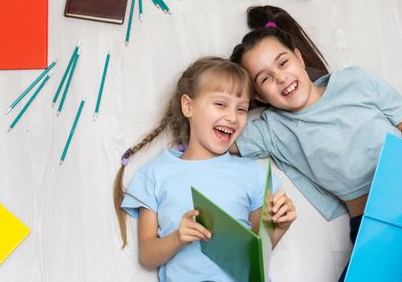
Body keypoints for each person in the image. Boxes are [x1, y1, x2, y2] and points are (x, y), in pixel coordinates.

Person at [229, 6, 402, 281]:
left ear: (298, 57)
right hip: (371, 231)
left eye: (283, 63)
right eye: (265, 79)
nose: (281, 77)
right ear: (258, 96)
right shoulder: (273, 129)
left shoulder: (355, 81)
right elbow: (219, 136)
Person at [113, 56, 297, 282]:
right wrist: (178, 238)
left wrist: (281, 227)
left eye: (242, 109)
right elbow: (148, 256)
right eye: (220, 104)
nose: (232, 117)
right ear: (188, 106)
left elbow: (255, 257)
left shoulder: (254, 175)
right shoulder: (154, 174)